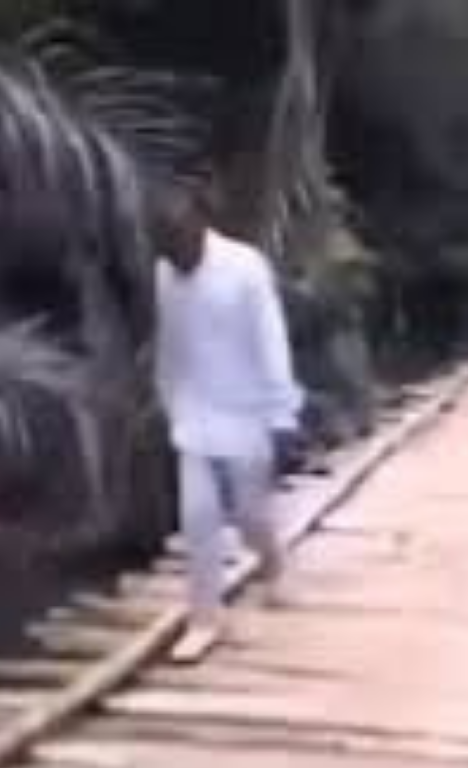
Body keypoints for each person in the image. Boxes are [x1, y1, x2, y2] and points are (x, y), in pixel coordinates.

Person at [154, 191, 303, 663]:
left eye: (180, 243)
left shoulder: (245, 267)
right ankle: (205, 619)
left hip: (247, 412)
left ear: (200, 226)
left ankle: (273, 562)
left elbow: (271, 338)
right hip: (194, 415)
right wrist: (168, 400)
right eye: (167, 248)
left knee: (249, 515)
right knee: (197, 517)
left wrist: (282, 414)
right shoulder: (165, 274)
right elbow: (170, 343)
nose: (175, 256)